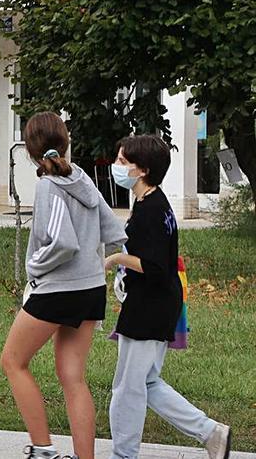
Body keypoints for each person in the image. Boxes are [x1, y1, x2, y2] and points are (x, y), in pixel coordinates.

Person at [0, 112, 126, 459]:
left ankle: (43, 450)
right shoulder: (82, 178)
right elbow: (113, 229)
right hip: (90, 289)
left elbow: (62, 243)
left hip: (57, 289)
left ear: (30, 151)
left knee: (12, 360)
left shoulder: (47, 186)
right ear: (65, 142)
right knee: (73, 377)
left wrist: (34, 268)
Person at [106, 135, 231, 459]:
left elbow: (156, 267)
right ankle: (211, 433)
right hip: (153, 303)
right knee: (146, 383)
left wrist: (116, 260)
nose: (116, 167)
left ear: (143, 169)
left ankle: (123, 454)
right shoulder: (149, 203)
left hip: (150, 307)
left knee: (127, 388)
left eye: (122, 162)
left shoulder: (152, 209)